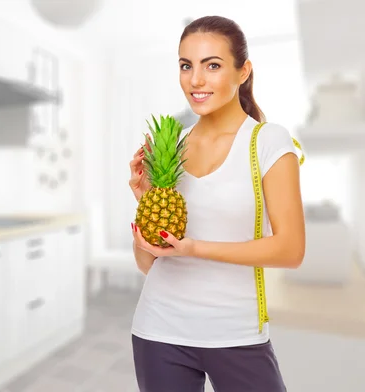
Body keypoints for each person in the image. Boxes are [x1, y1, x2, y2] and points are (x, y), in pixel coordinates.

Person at [127, 15, 305, 392]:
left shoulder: (267, 141)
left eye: (213, 65)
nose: (196, 80)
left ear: (243, 71)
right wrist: (145, 204)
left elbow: (291, 250)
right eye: (186, 65)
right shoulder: (171, 147)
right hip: (158, 330)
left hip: (237, 334)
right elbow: (148, 265)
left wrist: (193, 248)